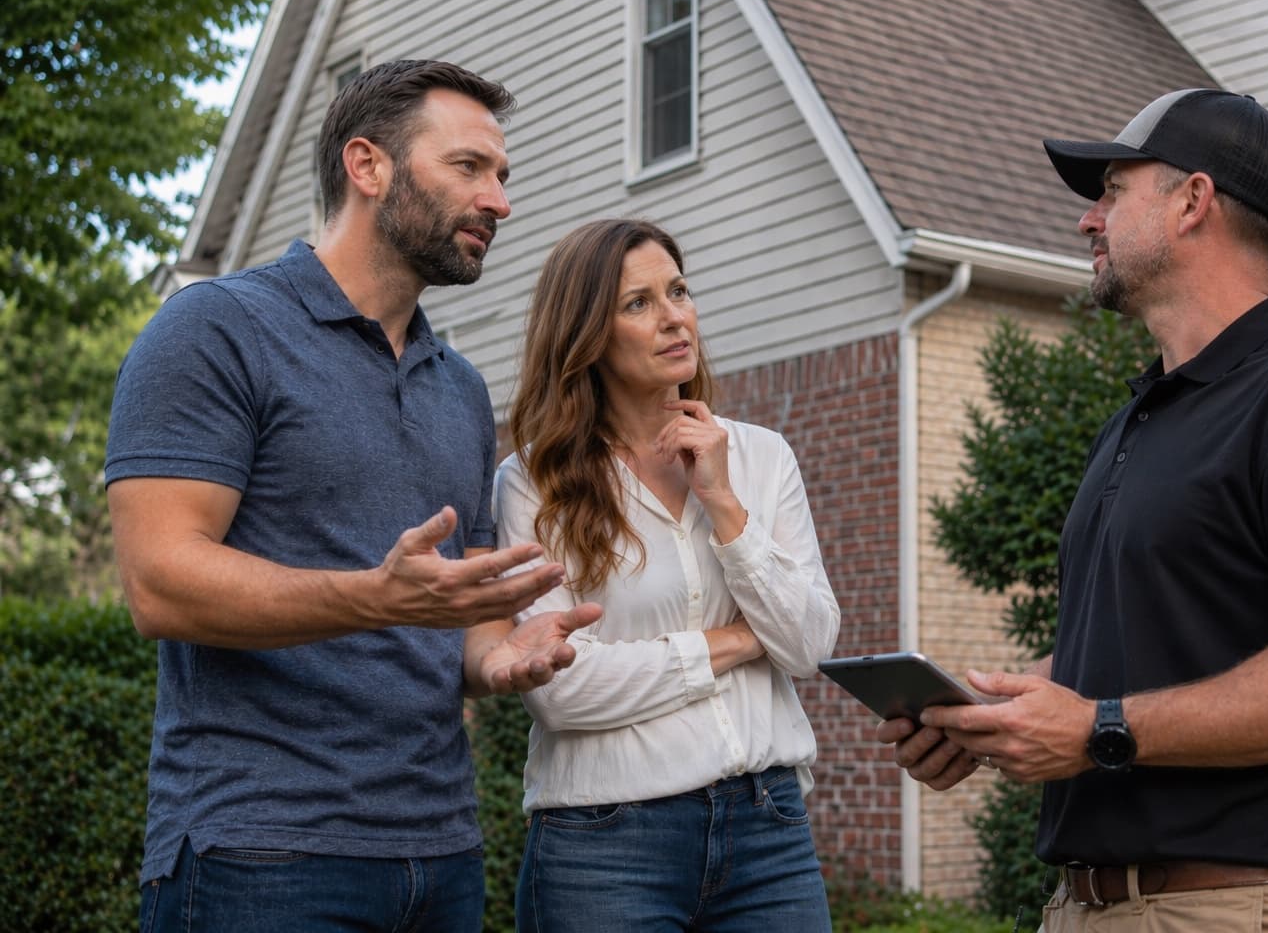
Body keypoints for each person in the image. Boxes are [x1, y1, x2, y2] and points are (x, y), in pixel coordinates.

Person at [877, 89, 1268, 931]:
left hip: (1244, 910)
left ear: (1192, 202)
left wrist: (1100, 728)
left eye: (1111, 190)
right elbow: (1156, 655)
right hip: (1088, 908)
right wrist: (1005, 713)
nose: (1087, 221)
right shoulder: (1140, 420)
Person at [105, 59, 601, 933]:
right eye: (469, 168)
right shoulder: (216, 328)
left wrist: (503, 658)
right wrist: (376, 599)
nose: (500, 202)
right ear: (367, 167)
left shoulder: (460, 388)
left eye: (504, 177)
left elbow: (460, 625)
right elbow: (160, 582)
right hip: (260, 853)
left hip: (440, 856)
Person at [483, 218, 841, 932]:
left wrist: (723, 501)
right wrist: (738, 644)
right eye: (638, 303)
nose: (675, 316)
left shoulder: (761, 457)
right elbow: (561, 688)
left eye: (678, 290)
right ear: (586, 333)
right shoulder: (532, 482)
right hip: (605, 847)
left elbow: (808, 645)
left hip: (769, 834)